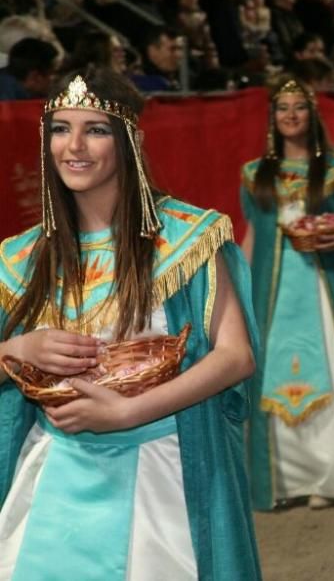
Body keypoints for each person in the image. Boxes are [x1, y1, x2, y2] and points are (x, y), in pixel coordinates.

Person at [0, 67, 261, 578]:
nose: (73, 145)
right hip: (55, 478)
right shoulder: (22, 256)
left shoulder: (188, 237)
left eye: (95, 129)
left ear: (130, 140)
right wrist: (18, 351)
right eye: (59, 128)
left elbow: (236, 357)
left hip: (161, 471)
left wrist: (125, 414)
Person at [241, 76, 334, 511]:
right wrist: (237, 287)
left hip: (332, 292)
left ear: (313, 115)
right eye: (282, 108)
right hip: (276, 297)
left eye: (299, 107)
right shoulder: (256, 174)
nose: (290, 115)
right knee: (274, 374)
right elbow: (253, 232)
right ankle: (289, 480)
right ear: (272, 118)